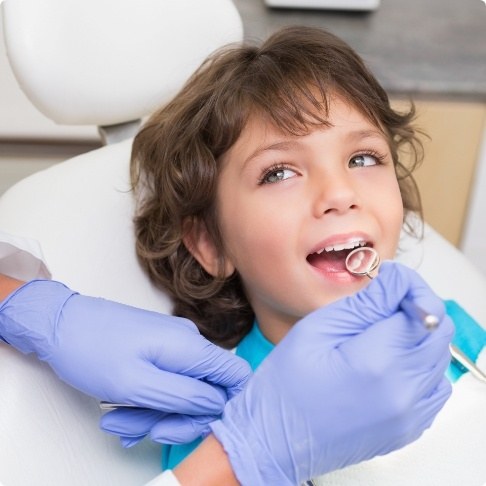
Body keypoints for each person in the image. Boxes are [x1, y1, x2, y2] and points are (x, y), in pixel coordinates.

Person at [96, 25, 458, 483]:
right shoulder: (217, 426)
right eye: (279, 172)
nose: (340, 193)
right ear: (210, 243)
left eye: (363, 159)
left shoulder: (446, 328)